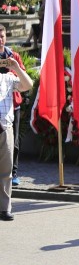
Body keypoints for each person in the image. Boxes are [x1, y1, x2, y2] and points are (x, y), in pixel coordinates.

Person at [0, 42, 32, 222]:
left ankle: (4, 209)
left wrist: (16, 67)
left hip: (4, 127)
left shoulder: (9, 78)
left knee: (6, 171)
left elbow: (27, 85)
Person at [0, 26, 26, 187]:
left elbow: (23, 76)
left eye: (2, 36)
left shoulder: (13, 55)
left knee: (13, 141)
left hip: (12, 105)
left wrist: (13, 73)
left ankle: (13, 173)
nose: (0, 39)